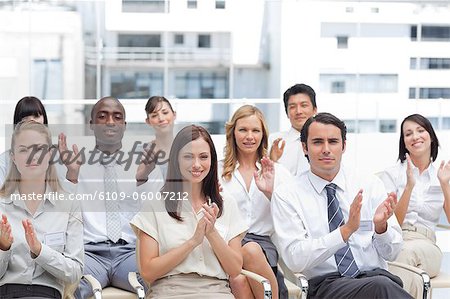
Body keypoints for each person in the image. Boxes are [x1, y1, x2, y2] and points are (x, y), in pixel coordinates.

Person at [271, 112, 412, 299]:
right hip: (326, 284)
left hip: (374, 276)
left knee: (381, 284)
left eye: (333, 142)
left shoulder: (370, 184)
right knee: (382, 287)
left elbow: (392, 253)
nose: (326, 149)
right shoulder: (287, 194)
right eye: (318, 142)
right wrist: (345, 231)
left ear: (344, 146)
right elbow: (295, 259)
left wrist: (381, 228)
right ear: (304, 147)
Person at [130, 125, 247, 298]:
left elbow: (235, 269)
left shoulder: (226, 204)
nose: (197, 164)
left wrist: (212, 233)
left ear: (212, 161)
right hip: (169, 292)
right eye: (188, 157)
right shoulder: (155, 205)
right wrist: (193, 241)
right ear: (176, 160)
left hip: (217, 292)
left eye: (203, 157)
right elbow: (148, 272)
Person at [74, 96, 163, 298]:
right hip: (90, 253)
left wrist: (143, 179)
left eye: (117, 116)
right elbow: (65, 212)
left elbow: (157, 214)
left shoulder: (144, 163)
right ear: (91, 124)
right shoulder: (76, 164)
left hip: (131, 251)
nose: (110, 122)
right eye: (102, 116)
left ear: (124, 125)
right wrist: (72, 176)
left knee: (159, 286)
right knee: (72, 288)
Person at [0, 120, 84, 299]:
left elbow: (76, 272)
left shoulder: (69, 204)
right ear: (13, 157)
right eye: (23, 150)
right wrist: (3, 248)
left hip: (47, 293)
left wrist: (40, 251)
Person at [220, 105, 291, 299]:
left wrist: (270, 193)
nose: (249, 136)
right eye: (243, 130)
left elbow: (291, 217)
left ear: (263, 135)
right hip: (226, 244)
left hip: (262, 246)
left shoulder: (278, 172)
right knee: (238, 281)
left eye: (255, 130)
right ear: (233, 133)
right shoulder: (217, 172)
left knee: (251, 250)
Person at [379, 114, 450, 298]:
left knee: (402, 255)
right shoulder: (391, 175)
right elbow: (392, 222)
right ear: (404, 142)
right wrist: (409, 187)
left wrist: (445, 185)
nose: (415, 136)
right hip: (395, 237)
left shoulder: (443, 174)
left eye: (420, 130)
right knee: (415, 281)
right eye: (408, 133)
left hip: (426, 246)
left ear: (431, 136)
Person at [0, 96, 80, 188]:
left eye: (36, 116)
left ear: (44, 120)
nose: (32, 121)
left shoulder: (58, 156)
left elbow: (68, 197)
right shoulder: (4, 161)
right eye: (25, 117)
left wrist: (73, 171)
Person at [269, 83, 317, 176]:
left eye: (304, 105)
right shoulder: (273, 141)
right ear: (287, 113)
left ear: (315, 110)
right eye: (292, 107)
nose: (298, 111)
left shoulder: (326, 142)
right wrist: (273, 161)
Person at [136, 96, 176, 182]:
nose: (161, 119)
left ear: (174, 115)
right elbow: (133, 186)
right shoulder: (141, 151)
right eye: (154, 115)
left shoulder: (188, 148)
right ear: (148, 121)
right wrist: (145, 171)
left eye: (165, 113)